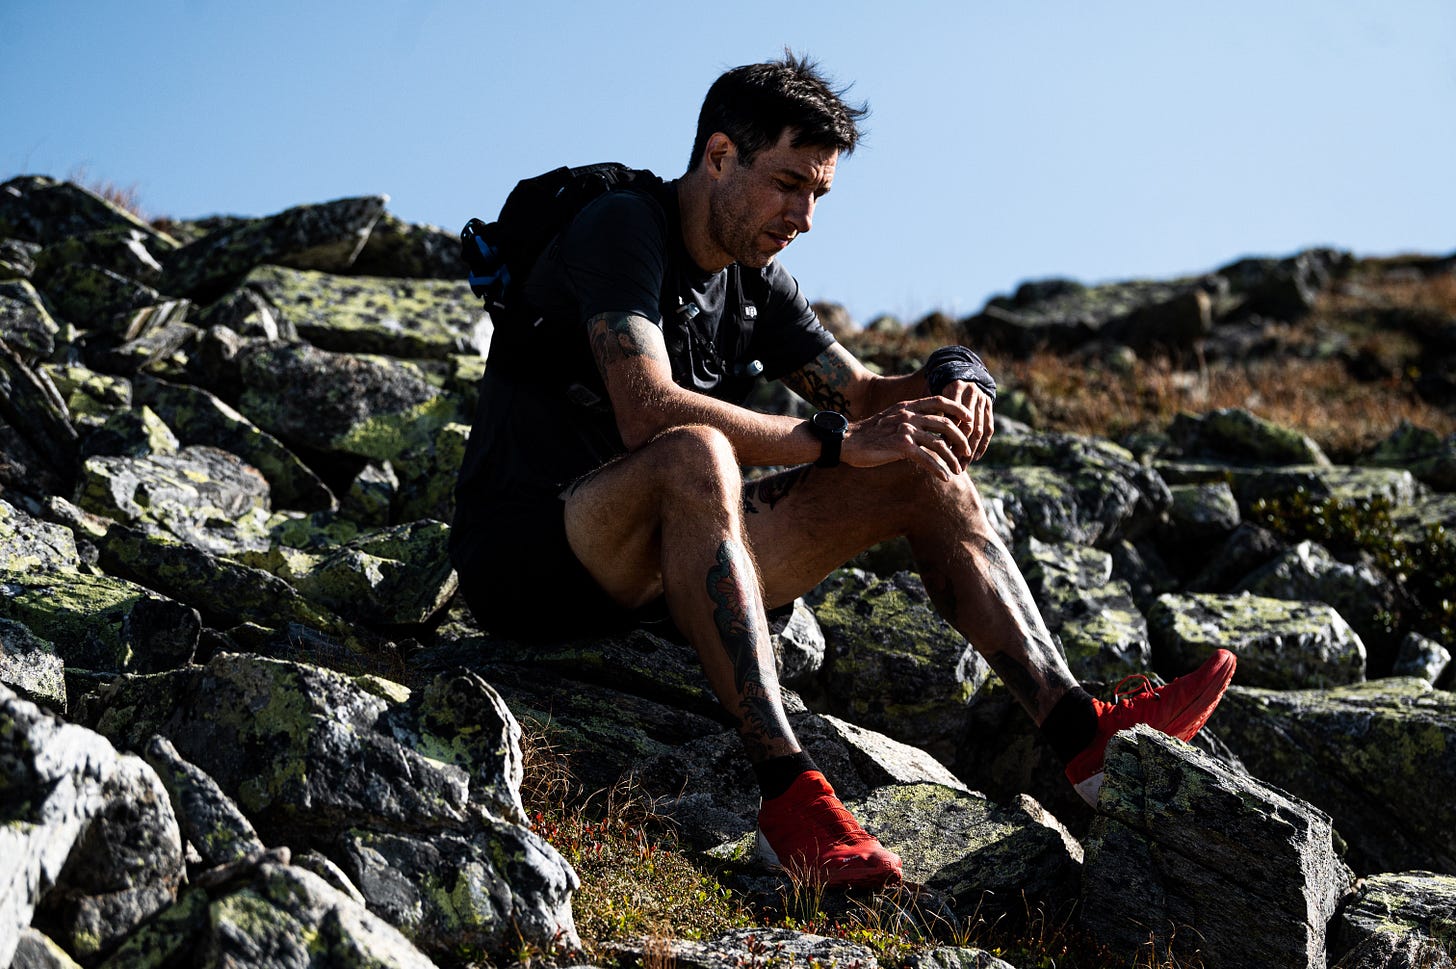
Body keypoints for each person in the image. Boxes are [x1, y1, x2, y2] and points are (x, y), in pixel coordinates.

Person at [450, 52, 1235, 888]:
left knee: (924, 469)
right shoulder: (621, 226)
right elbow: (647, 407)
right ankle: (789, 796)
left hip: (653, 563)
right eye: (789, 183)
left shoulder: (754, 283)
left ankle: (1081, 732)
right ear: (719, 156)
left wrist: (956, 375)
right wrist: (832, 442)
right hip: (530, 555)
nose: (806, 216)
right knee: (694, 452)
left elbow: (864, 394)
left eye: (819, 192)